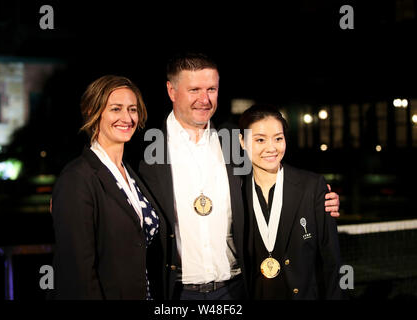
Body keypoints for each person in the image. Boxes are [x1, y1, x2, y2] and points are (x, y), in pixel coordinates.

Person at [138, 52, 341, 300]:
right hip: (175, 292)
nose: (204, 99)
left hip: (235, 289)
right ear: (171, 91)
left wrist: (320, 198)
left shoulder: (233, 139)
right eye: (194, 90)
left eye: (211, 89)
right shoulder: (144, 152)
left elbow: (274, 169)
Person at [50, 75, 166, 299]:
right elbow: (77, 272)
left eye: (132, 109)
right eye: (116, 109)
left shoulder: (132, 174)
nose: (127, 117)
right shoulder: (77, 178)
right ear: (94, 113)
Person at [238, 104, 344, 299]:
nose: (271, 148)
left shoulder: (312, 187)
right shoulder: (236, 191)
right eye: (260, 140)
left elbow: (332, 261)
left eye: (278, 138)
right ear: (242, 141)